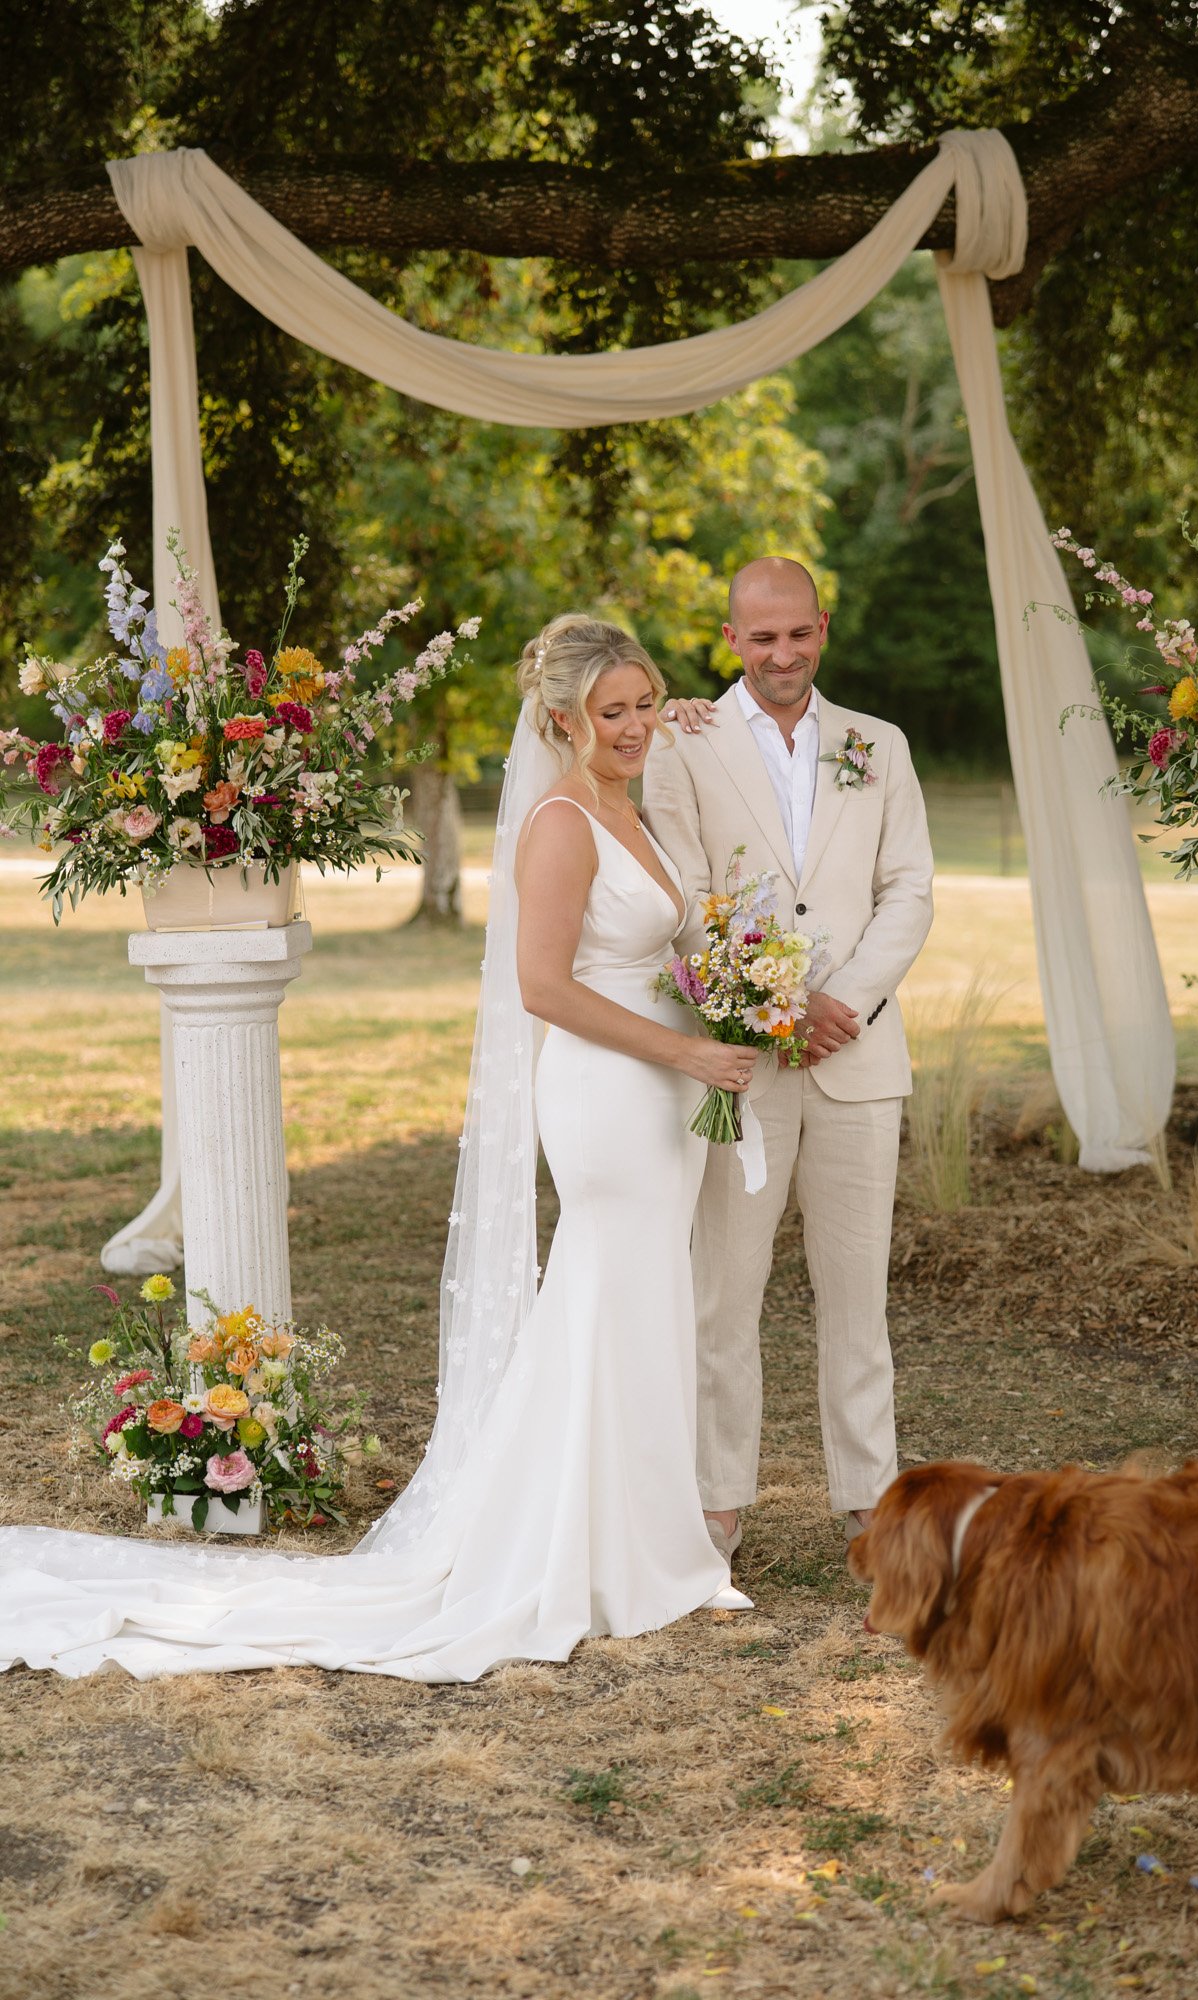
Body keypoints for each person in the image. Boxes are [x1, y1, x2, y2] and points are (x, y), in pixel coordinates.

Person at [0, 615, 752, 1683]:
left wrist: (727, 999)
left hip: (664, 1089)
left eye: (642, 703)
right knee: (607, 1296)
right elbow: (545, 987)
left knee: (643, 1302)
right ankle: (597, 1558)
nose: (633, 726)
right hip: (607, 1093)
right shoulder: (560, 822)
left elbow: (654, 940)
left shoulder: (633, 805)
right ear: (560, 719)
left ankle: (646, 1548)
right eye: (611, 711)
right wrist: (685, 1046)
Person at [643, 557, 933, 1571]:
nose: (780, 654)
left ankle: (872, 1507)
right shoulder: (680, 744)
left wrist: (838, 999)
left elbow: (909, 890)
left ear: (822, 627)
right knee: (724, 1290)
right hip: (741, 1066)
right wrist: (770, 1003)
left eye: (796, 634)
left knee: (857, 1294)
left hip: (858, 1052)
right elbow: (680, 897)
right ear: (731, 639)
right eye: (759, 637)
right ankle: (717, 1503)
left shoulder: (876, 745)